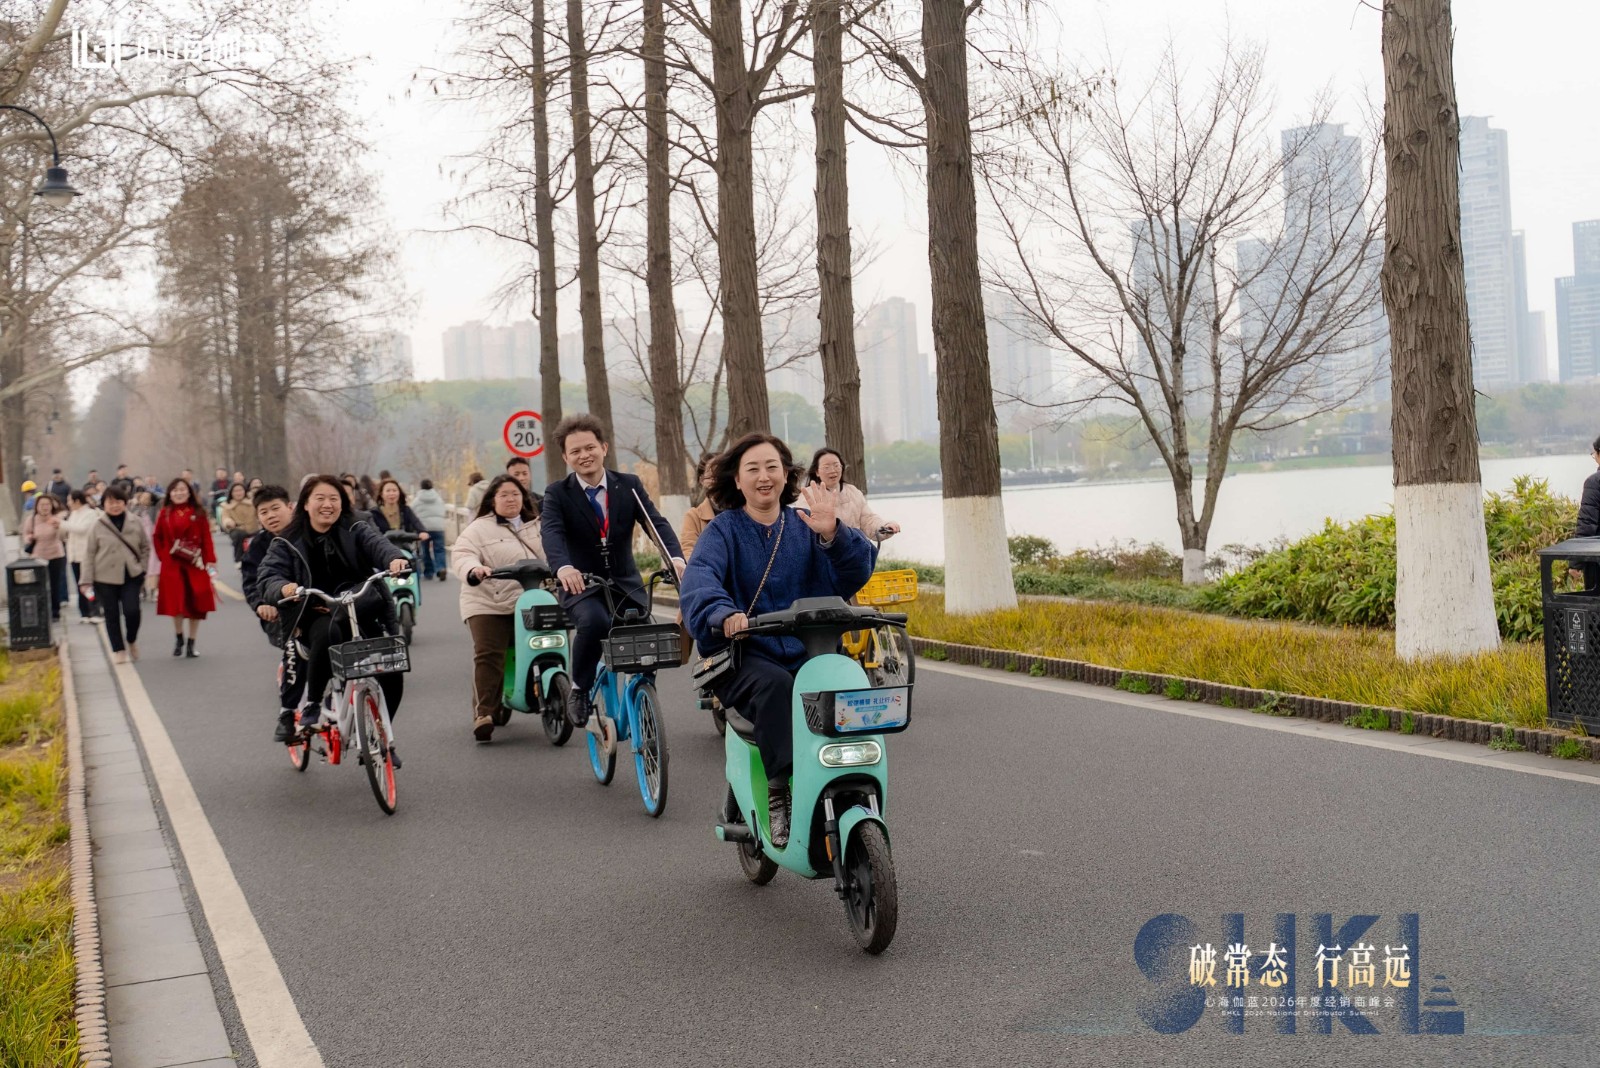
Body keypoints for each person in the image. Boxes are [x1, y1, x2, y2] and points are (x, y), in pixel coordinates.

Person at [680, 433, 873, 846]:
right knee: (776, 686)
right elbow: (699, 580)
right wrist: (723, 613)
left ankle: (852, 777)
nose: (764, 476)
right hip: (746, 656)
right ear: (737, 480)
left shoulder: (806, 525)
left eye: (772, 467)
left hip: (809, 650)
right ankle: (778, 789)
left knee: (847, 679)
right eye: (752, 469)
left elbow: (855, 573)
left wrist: (834, 534)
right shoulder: (723, 531)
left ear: (787, 474)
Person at [540, 414, 686, 728]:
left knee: (647, 639)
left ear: (604, 448)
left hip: (626, 584)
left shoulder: (628, 485)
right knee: (595, 622)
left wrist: (675, 558)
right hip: (582, 586)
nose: (584, 455)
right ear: (566, 457)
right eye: (575, 451)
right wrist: (563, 567)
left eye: (590, 447)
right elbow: (551, 533)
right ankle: (579, 688)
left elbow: (655, 523)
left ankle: (644, 701)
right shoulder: (557, 493)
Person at [258, 476, 409, 744]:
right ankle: (313, 703)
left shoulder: (356, 526)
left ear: (342, 503)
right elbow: (269, 576)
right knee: (328, 634)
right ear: (305, 504)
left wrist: (395, 559)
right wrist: (284, 588)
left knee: (391, 669)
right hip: (315, 611)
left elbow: (379, 545)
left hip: (359, 608)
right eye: (320, 498)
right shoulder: (287, 540)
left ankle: (382, 736)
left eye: (334, 499)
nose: (327, 504)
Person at [453, 475, 545, 741]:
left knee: (549, 643)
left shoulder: (539, 525)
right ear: (492, 500)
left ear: (524, 497)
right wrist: (475, 569)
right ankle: (483, 713)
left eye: (515, 494)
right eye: (503, 495)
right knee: (489, 654)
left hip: (530, 599)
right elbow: (463, 555)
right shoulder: (478, 528)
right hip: (488, 601)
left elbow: (559, 552)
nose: (510, 499)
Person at [242, 485, 308, 725]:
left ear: (290, 507)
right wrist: (261, 604)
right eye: (264, 512)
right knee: (295, 649)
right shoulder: (258, 546)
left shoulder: (308, 533)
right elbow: (251, 582)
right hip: (280, 613)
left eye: (275, 508)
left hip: (315, 604)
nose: (270, 515)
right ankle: (288, 712)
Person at [80, 486, 151, 663]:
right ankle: (118, 649)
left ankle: (131, 639)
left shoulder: (135, 521)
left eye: (118, 501)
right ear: (103, 504)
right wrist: (86, 580)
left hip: (131, 574)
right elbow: (89, 554)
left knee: (132, 611)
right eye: (110, 502)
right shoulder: (97, 525)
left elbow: (145, 547)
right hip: (104, 576)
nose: (115, 505)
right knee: (111, 614)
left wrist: (142, 568)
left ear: (125, 503)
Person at [154, 477, 217, 658]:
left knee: (197, 602)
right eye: (175, 490)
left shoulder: (198, 513)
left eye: (182, 489)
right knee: (176, 603)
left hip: (194, 563)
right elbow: (157, 537)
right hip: (172, 565)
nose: (179, 493)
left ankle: (191, 642)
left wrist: (210, 559)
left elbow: (206, 538)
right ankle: (179, 636)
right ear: (170, 494)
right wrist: (163, 556)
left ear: (189, 492)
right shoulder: (165, 513)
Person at [807, 447, 899, 542]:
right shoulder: (808, 495)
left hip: (856, 548)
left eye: (836, 465)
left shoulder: (853, 491)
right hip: (826, 549)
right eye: (826, 467)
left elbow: (868, 520)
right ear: (817, 472)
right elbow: (806, 532)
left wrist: (885, 527)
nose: (833, 470)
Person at [22, 493, 68, 622]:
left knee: (55, 585)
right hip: (38, 557)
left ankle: (55, 612)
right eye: (42, 504)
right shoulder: (31, 520)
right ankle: (41, 611)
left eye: (47, 504)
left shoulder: (56, 519)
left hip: (56, 555)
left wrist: (59, 527)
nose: (45, 507)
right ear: (37, 506)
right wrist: (29, 538)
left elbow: (64, 537)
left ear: (52, 506)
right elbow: (25, 534)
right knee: (39, 585)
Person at [61, 490, 102, 622]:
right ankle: (84, 613)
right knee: (79, 585)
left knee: (88, 585)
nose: (68, 503)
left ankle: (94, 611)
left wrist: (61, 523)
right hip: (74, 555)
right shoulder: (73, 514)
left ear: (77, 501)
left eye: (70, 500)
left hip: (85, 555)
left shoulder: (90, 514)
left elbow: (82, 529)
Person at [366, 479, 431, 551]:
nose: (391, 493)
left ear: (399, 493)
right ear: (381, 494)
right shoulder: (374, 513)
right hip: (383, 549)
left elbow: (416, 522)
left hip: (404, 547)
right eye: (388, 491)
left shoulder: (406, 510)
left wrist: (422, 531)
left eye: (394, 490)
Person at [679, 454, 721, 560]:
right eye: (711, 477)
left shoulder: (745, 511)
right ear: (702, 480)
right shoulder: (694, 516)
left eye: (722, 475)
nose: (717, 481)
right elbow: (688, 550)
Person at [410, 478, 449, 581]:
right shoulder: (438, 498)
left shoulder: (417, 500)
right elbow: (443, 510)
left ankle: (429, 572)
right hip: (438, 527)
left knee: (425, 550)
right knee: (439, 549)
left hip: (424, 528)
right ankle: (441, 568)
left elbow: (412, 513)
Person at [218, 482, 259, 564]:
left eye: (240, 490)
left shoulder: (252, 503)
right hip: (237, 529)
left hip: (253, 528)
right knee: (238, 535)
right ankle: (239, 559)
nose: (238, 493)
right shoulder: (227, 506)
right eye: (235, 491)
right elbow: (225, 517)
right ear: (231, 493)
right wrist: (228, 522)